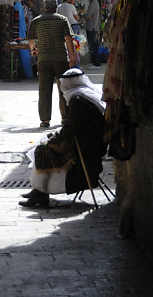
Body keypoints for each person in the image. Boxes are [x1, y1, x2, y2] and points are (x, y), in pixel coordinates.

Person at [20, 67, 106, 208]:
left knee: (43, 149)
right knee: (44, 143)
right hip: (90, 143)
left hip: (85, 147)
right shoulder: (86, 95)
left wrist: (55, 139)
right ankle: (38, 191)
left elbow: (70, 129)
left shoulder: (78, 99)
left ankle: (40, 193)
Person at [27, 0, 77, 127]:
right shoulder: (62, 20)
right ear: (56, 7)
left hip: (43, 60)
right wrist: (72, 57)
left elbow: (31, 40)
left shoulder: (36, 21)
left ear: (44, 7)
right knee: (63, 89)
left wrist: (33, 50)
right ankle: (65, 117)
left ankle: (45, 120)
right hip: (60, 59)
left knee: (44, 89)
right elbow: (68, 39)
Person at [84, 0, 102, 67]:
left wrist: (83, 15)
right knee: (93, 46)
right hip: (92, 27)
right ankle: (96, 63)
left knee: (94, 46)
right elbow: (88, 16)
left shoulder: (94, 3)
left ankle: (97, 64)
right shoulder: (92, 3)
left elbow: (88, 15)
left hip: (92, 28)